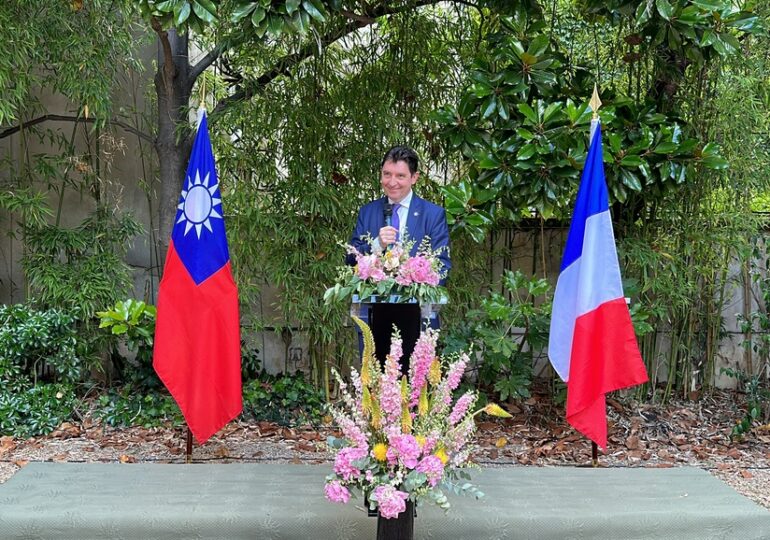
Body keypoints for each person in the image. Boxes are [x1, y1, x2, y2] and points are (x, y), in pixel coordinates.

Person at [348, 145, 451, 374]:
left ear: (414, 178)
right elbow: (351, 260)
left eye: (400, 176)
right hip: (374, 312)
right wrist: (377, 245)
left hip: (417, 314)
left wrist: (416, 276)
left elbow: (442, 265)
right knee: (377, 384)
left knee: (414, 386)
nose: (392, 182)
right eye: (387, 174)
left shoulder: (432, 214)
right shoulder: (368, 212)